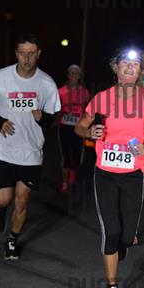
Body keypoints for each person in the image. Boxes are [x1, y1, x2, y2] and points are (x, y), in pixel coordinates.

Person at [74, 47, 144, 288]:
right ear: (116, 68)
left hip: (133, 173)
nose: (129, 67)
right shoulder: (102, 98)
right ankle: (111, 287)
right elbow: (80, 126)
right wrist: (90, 132)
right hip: (105, 172)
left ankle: (123, 243)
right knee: (111, 231)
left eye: (135, 65)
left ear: (141, 71)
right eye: (125, 63)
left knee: (126, 237)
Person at [0, 34, 61, 260]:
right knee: (3, 199)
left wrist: (43, 119)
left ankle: (12, 239)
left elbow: (52, 117)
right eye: (22, 53)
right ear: (16, 54)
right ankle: (0, 209)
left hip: (30, 150)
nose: (27, 58)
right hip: (2, 146)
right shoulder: (1, 77)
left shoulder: (46, 83)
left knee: (22, 199)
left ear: (38, 54)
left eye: (31, 53)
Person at [57, 65, 90, 193]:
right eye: (71, 73)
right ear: (68, 75)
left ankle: (73, 173)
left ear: (79, 76)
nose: (74, 75)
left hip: (79, 127)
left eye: (76, 73)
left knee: (77, 154)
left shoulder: (84, 92)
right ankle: (64, 182)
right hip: (64, 126)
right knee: (65, 154)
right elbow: (56, 108)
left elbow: (87, 109)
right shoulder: (61, 91)